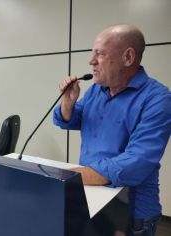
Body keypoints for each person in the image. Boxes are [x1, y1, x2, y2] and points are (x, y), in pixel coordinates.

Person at [53, 24, 171, 236]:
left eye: (99, 54)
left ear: (128, 57)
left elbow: (137, 162)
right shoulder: (97, 90)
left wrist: (73, 177)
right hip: (92, 199)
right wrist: (68, 103)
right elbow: (70, 120)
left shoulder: (158, 98)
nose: (91, 61)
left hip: (131, 212)